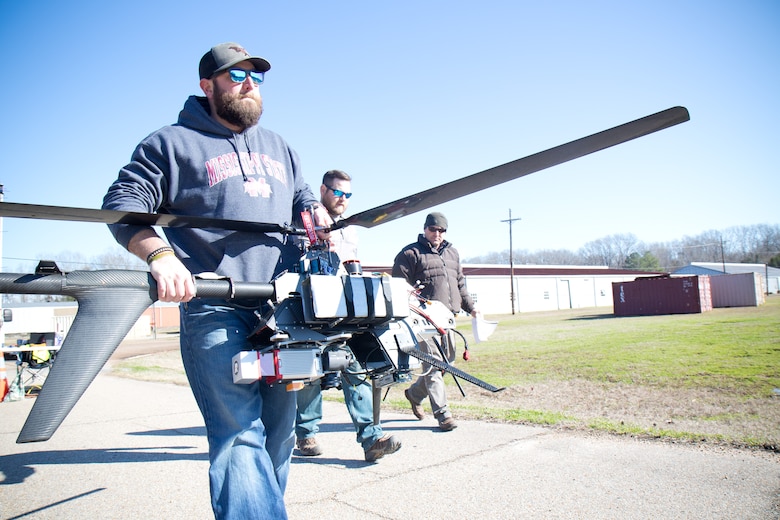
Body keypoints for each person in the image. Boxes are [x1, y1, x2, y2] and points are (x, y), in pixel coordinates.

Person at [102, 42, 333, 520]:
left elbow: (303, 197)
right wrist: (161, 255)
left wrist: (312, 215)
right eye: (236, 77)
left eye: (257, 77)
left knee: (279, 432)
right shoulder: (168, 143)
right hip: (215, 308)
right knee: (238, 434)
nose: (249, 85)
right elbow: (121, 204)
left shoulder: (279, 146)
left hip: (283, 310)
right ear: (207, 86)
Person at [294, 169, 401, 462]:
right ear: (323, 190)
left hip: (342, 309)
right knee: (309, 372)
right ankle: (305, 435)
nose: (343, 199)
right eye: (338, 192)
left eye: (348, 195)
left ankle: (371, 439)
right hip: (307, 308)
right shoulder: (304, 218)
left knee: (354, 367)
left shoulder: (350, 229)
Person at [391, 212, 478, 432]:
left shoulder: (452, 253)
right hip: (422, 320)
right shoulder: (409, 253)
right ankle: (443, 414)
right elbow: (397, 287)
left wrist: (472, 307)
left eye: (441, 230)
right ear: (425, 229)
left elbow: (460, 284)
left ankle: (414, 394)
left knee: (447, 362)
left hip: (447, 318)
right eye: (433, 229)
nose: (437, 234)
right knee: (432, 364)